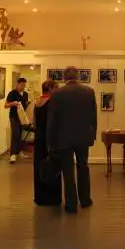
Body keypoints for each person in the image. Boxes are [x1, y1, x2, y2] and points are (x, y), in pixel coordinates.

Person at [47, 66, 97, 213]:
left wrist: (50, 142)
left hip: (63, 138)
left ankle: (71, 203)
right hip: (83, 137)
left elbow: (52, 121)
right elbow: (93, 118)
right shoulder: (89, 92)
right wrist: (92, 135)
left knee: (67, 171)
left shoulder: (57, 94)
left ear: (64, 78)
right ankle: (85, 200)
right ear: (78, 76)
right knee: (83, 167)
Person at [33, 79, 62, 206]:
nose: (57, 90)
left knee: (40, 167)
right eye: (55, 87)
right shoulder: (52, 103)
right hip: (49, 139)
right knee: (52, 166)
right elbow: (52, 124)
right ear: (50, 88)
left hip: (38, 139)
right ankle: (52, 198)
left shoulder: (37, 102)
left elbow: (34, 123)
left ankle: (40, 197)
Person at [5, 77, 29, 163]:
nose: (23, 87)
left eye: (24, 85)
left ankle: (19, 151)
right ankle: (13, 154)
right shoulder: (12, 93)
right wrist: (13, 103)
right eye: (22, 85)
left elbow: (26, 105)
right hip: (14, 116)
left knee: (21, 134)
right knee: (15, 134)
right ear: (18, 84)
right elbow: (6, 105)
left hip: (22, 117)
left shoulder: (26, 94)